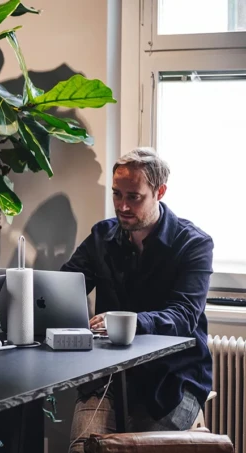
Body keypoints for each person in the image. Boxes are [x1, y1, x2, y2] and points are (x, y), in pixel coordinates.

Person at [62, 148, 213, 452]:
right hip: (108, 377)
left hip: (172, 378)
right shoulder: (102, 236)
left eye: (134, 197)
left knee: (132, 450)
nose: (122, 206)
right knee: (84, 450)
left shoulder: (194, 243)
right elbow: (66, 286)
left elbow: (184, 316)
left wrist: (124, 322)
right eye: (117, 195)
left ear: (160, 192)